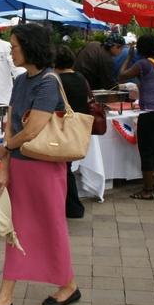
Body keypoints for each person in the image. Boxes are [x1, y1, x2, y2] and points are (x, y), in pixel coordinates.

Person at [0, 23, 79, 305]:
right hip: (21, 167)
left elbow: (32, 129)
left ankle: (68, 284)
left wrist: (6, 149)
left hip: (44, 169)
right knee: (15, 230)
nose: (11, 49)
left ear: (30, 47)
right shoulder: (21, 81)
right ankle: (6, 297)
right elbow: (12, 122)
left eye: (15, 45)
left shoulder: (48, 82)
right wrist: (5, 163)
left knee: (49, 227)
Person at [118, 35, 154, 200]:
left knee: (146, 152)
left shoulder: (142, 63)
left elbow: (122, 76)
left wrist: (128, 57)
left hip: (150, 114)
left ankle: (147, 190)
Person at [54, 45, 90, 218]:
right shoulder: (80, 77)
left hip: (63, 128)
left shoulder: (58, 81)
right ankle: (71, 206)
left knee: (63, 169)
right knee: (66, 168)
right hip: (77, 128)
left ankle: (73, 206)